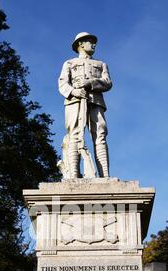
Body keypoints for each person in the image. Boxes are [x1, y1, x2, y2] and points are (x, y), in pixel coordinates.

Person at [58, 32, 112, 178]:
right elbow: (62, 83)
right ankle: (74, 175)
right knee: (74, 135)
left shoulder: (101, 65)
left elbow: (107, 83)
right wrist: (74, 91)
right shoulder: (69, 63)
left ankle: (105, 175)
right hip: (74, 102)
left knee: (100, 136)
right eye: (90, 41)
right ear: (81, 44)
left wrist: (90, 83)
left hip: (96, 101)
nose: (94, 44)